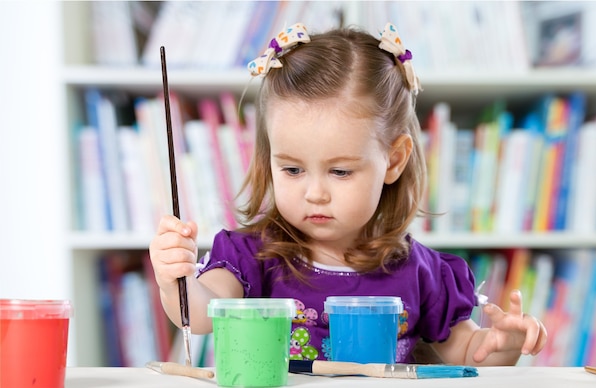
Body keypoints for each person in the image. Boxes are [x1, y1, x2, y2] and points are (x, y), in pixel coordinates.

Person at [149, 22, 547, 366]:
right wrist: (176, 279)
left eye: (340, 171)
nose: (315, 193)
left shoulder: (423, 274)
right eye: (292, 169)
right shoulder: (249, 260)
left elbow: (469, 351)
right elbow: (200, 314)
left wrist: (503, 345)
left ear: (393, 161)